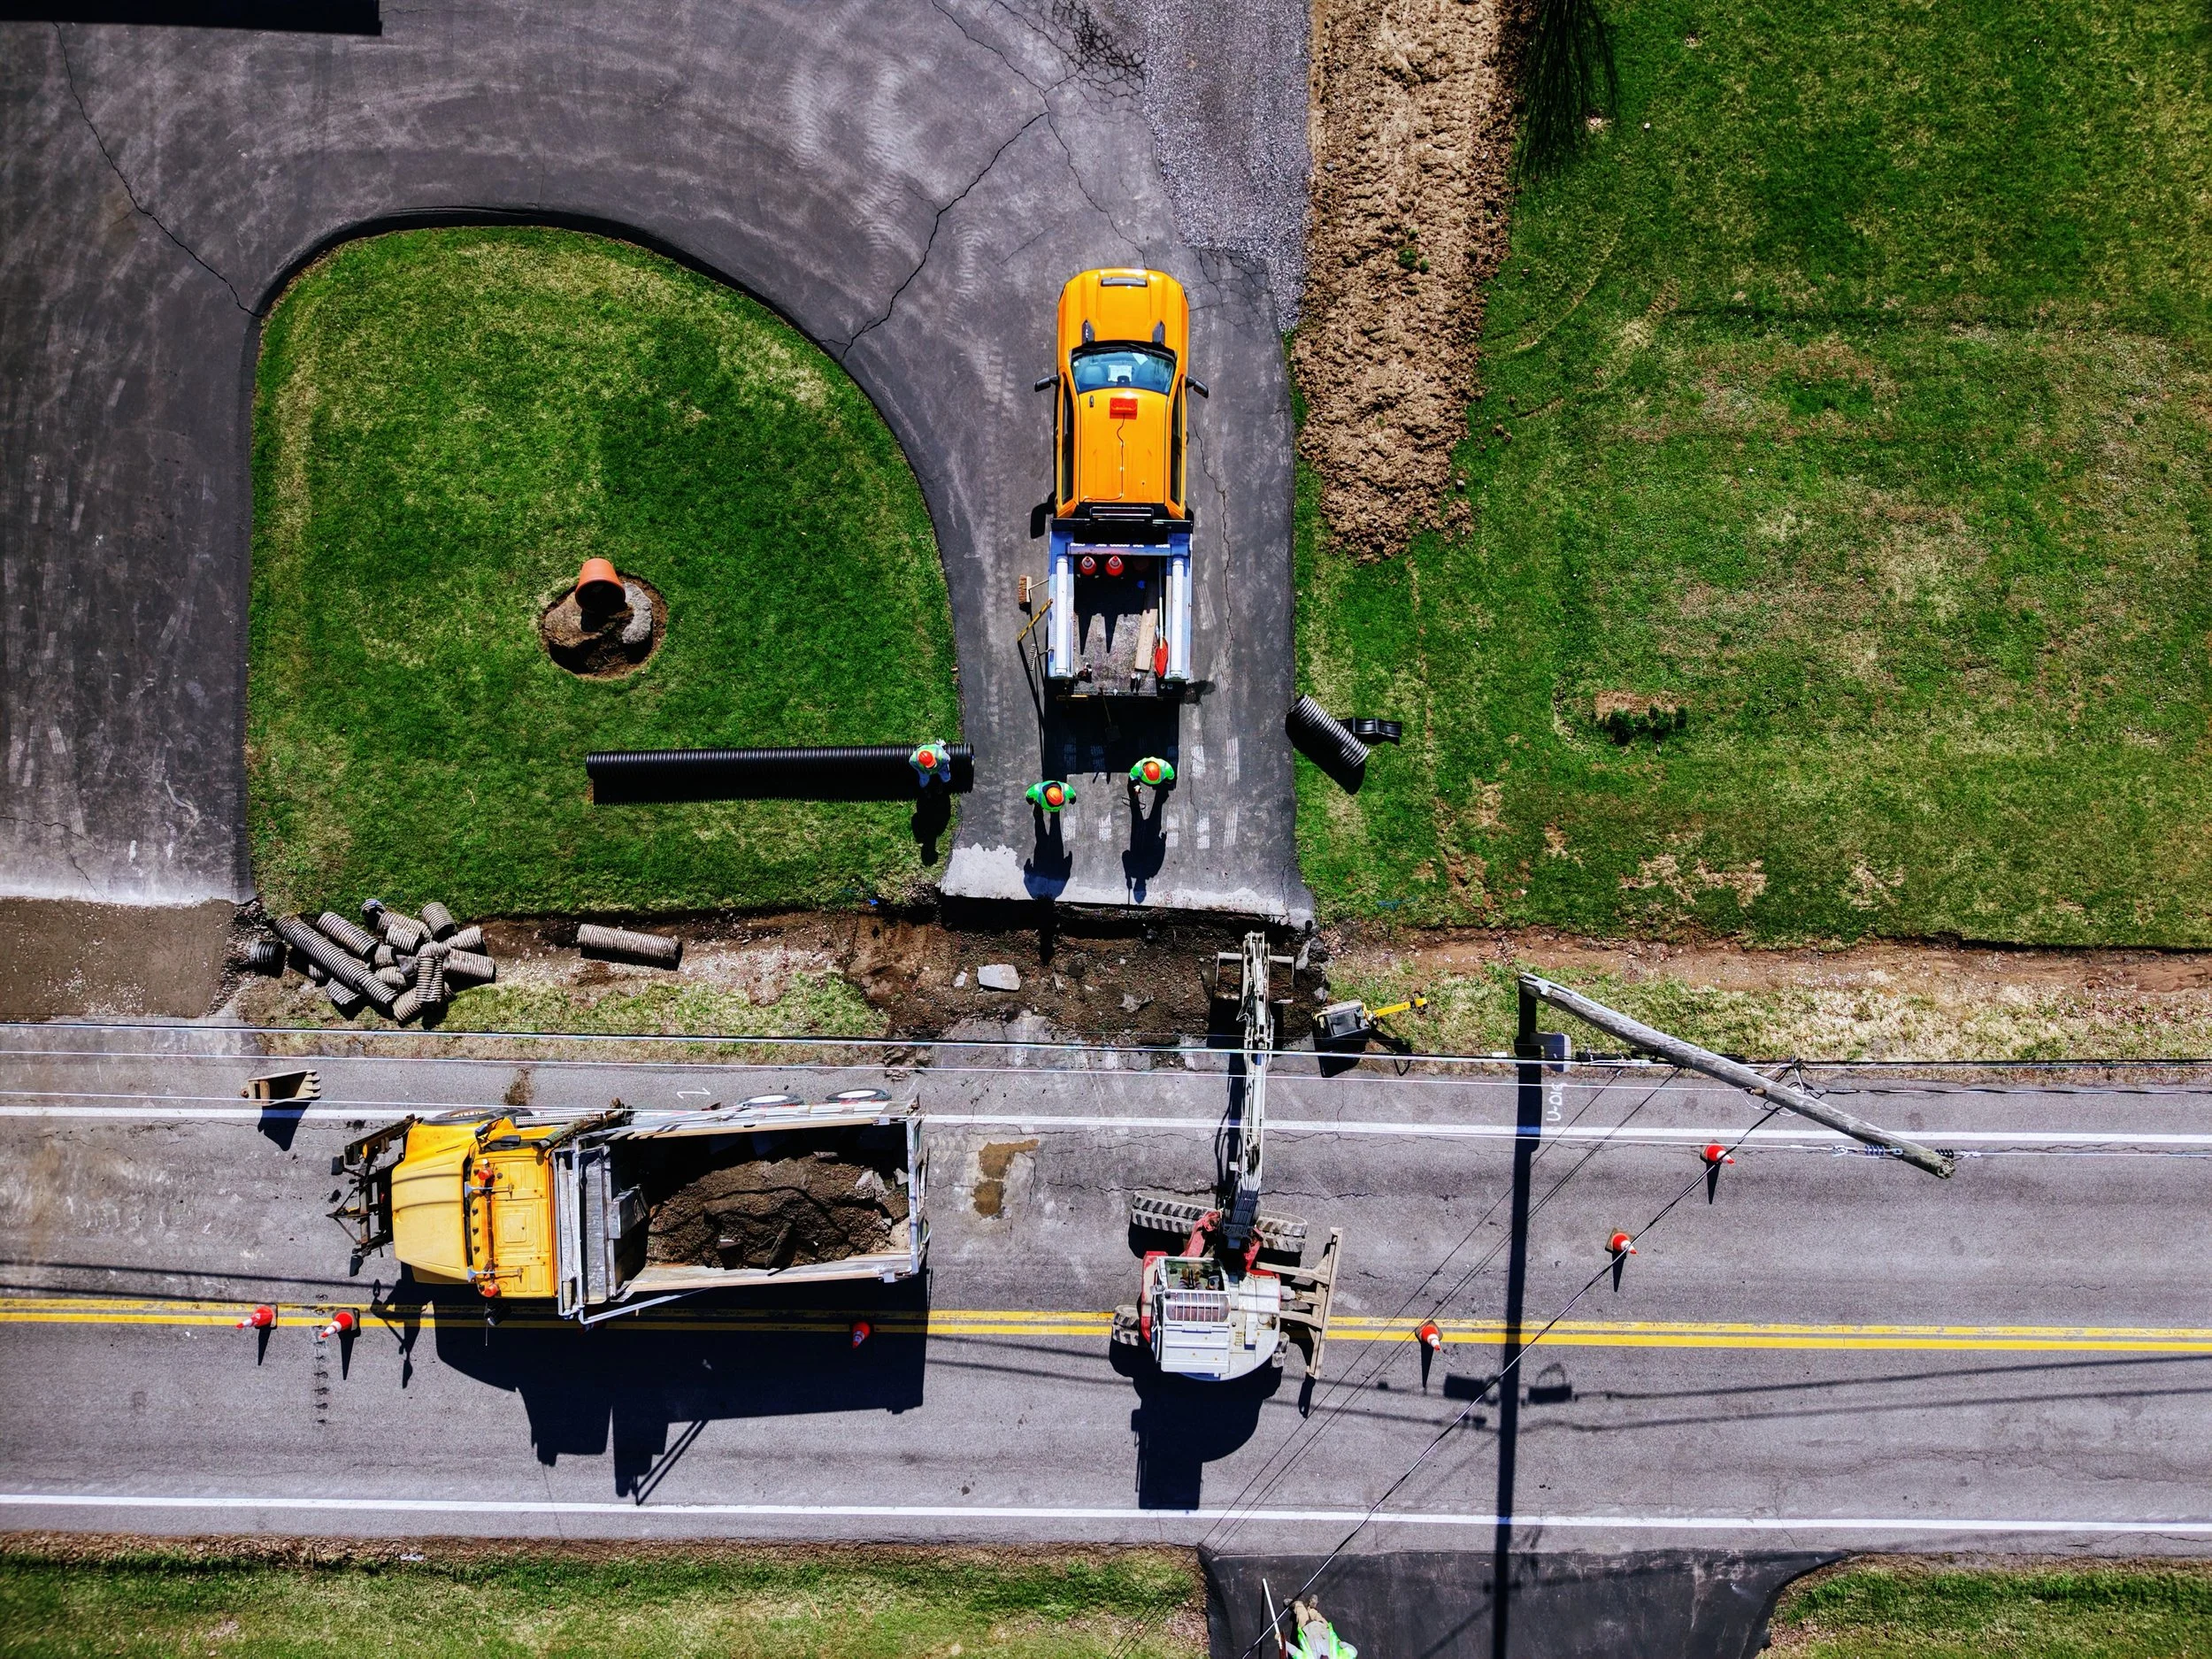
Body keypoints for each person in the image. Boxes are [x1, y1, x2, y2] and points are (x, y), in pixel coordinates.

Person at [1286, 1599, 1356, 1659]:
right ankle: (1311, 1608)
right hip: (1324, 1629)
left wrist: (1282, 1641)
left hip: (1307, 1630)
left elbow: (1295, 1652)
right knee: (1317, 1616)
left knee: (1301, 1614)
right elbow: (1353, 1652)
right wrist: (1340, 1643)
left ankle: (1297, 1605)